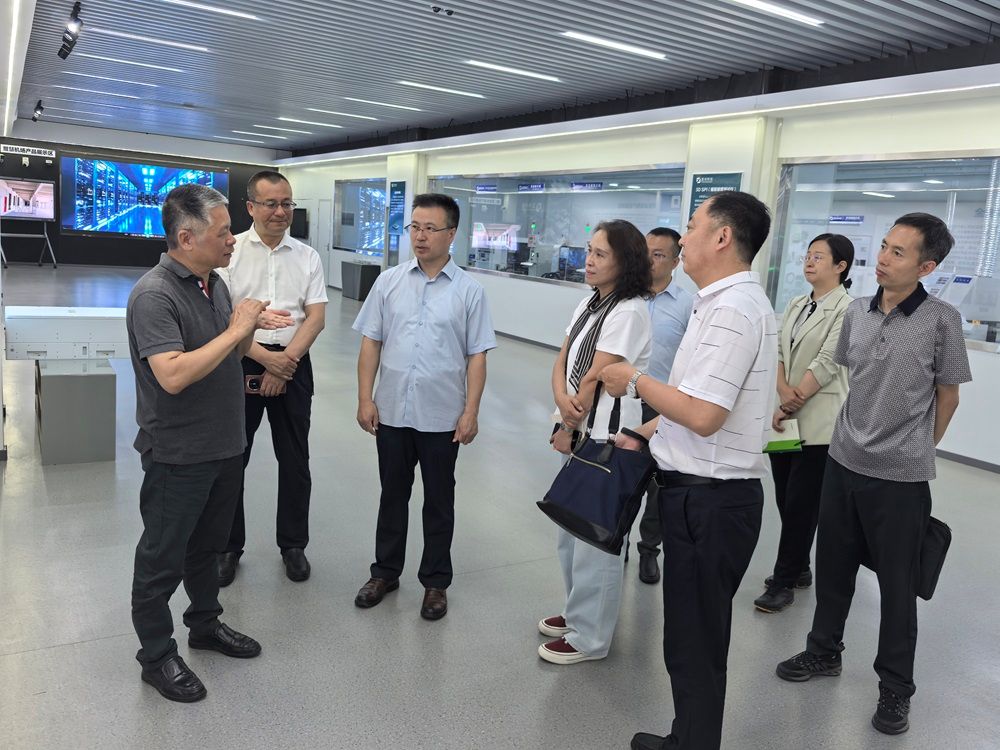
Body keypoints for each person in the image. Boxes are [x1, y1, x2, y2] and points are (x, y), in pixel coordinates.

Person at [776, 213, 971, 736]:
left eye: (898, 252)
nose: (883, 258)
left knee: (897, 586)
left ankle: (896, 687)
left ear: (927, 266)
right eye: (884, 246)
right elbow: (852, 377)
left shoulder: (942, 320)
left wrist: (918, 448)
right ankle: (823, 652)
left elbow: (948, 397)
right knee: (833, 567)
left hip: (900, 477)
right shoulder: (857, 312)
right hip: (842, 460)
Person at [600, 191, 777, 750]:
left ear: (722, 237)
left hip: (711, 500)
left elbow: (702, 415)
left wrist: (633, 380)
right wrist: (644, 432)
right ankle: (688, 736)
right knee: (689, 635)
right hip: (700, 493)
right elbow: (695, 399)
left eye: (693, 225)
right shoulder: (719, 303)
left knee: (695, 641)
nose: (684, 236)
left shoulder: (732, 310)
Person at [127, 183, 293, 702]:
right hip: (179, 453)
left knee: (207, 549)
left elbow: (228, 349)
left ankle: (204, 624)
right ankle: (157, 655)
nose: (232, 240)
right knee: (162, 559)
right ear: (186, 237)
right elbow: (173, 374)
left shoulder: (213, 283)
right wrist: (237, 328)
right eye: (223, 233)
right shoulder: (154, 295)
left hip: (224, 446)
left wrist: (251, 333)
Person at [352, 193, 496, 620]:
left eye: (430, 228)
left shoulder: (469, 291)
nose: (420, 236)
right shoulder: (389, 282)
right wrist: (365, 397)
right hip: (392, 410)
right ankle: (384, 572)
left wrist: (471, 411)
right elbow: (371, 342)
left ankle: (435, 582)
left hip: (441, 416)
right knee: (392, 496)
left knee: (438, 501)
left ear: (451, 234)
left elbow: (477, 356)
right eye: (414, 226)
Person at [537, 220, 652, 665]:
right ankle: (576, 612)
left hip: (607, 436)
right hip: (579, 427)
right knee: (571, 532)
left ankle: (591, 638)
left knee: (596, 540)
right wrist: (561, 405)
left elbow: (597, 375)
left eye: (601, 254)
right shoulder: (590, 302)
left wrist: (571, 416)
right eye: (589, 250)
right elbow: (563, 358)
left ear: (626, 261)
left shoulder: (630, 310)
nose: (589, 260)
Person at [216, 171, 328, 586]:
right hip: (242, 360)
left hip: (294, 362)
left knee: (296, 459)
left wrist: (286, 362)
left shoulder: (307, 256)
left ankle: (293, 545)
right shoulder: (230, 253)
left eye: (287, 203)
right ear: (250, 207)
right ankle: (229, 546)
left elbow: (315, 317)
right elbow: (224, 319)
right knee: (233, 459)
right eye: (271, 204)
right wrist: (266, 360)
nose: (281, 212)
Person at [754, 233, 854, 613]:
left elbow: (829, 361)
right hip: (784, 416)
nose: (809, 261)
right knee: (785, 498)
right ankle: (801, 567)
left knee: (801, 503)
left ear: (841, 266)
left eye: (819, 256)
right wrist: (782, 392)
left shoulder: (848, 309)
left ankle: (783, 581)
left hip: (818, 422)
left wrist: (793, 399)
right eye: (808, 254)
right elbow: (779, 350)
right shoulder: (797, 303)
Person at [636, 227, 693, 585]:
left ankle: (648, 550)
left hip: (663, 407)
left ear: (675, 261)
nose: (650, 260)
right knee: (621, 475)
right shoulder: (627, 297)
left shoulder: (689, 305)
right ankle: (613, 542)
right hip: (623, 401)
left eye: (658, 255)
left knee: (657, 484)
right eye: (646, 253)